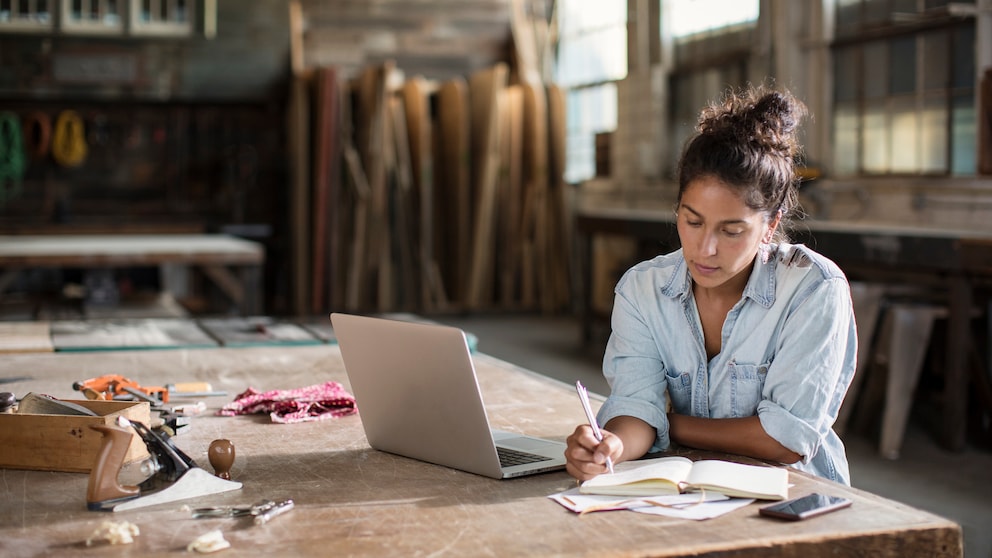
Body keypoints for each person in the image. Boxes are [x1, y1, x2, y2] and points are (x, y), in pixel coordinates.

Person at [565, 85, 857, 485]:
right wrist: (612, 445)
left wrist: (664, 424)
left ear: (770, 226)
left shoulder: (814, 289)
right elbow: (635, 406)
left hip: (793, 493)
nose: (705, 249)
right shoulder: (642, 290)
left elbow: (785, 441)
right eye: (693, 221)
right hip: (689, 489)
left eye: (732, 230)